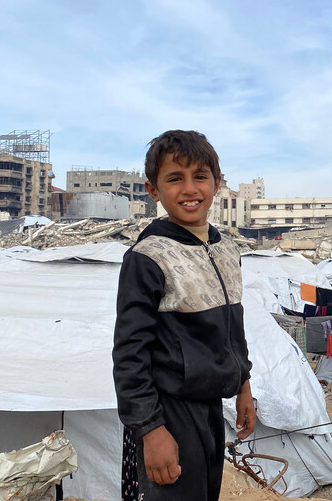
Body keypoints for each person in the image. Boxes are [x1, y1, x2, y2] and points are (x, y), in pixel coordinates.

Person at [113, 130, 255, 500]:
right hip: (169, 411)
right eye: (175, 178)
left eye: (200, 176)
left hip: (211, 409)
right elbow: (130, 353)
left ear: (217, 184)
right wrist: (151, 430)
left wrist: (243, 387)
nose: (190, 189)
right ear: (153, 190)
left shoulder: (226, 250)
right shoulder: (148, 257)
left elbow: (233, 332)